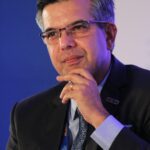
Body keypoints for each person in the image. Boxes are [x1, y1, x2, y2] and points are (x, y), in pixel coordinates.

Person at [7, 0, 150, 149]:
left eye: (78, 27)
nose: (64, 43)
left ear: (109, 35)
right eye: (52, 34)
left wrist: (99, 118)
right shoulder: (26, 115)